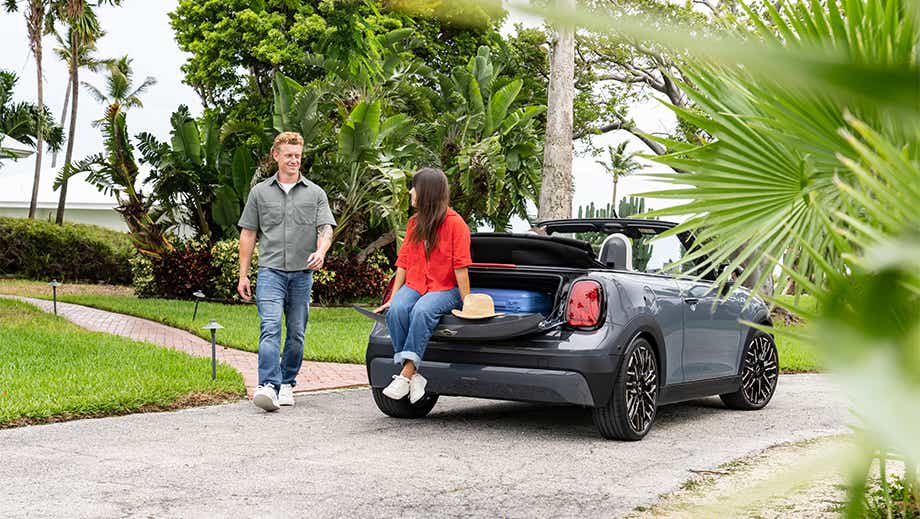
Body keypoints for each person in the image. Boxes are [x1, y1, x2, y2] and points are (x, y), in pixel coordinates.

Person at [237, 131, 336, 412]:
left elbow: (325, 229)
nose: (294, 160)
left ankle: (287, 383)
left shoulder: (316, 193)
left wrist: (321, 252)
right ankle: (268, 384)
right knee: (269, 327)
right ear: (276, 156)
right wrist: (243, 275)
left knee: (296, 333)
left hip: (302, 274)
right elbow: (248, 233)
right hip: (270, 272)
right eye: (289, 155)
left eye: (298, 156)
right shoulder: (259, 193)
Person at [374, 167, 472, 404]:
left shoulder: (455, 224)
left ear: (426, 192)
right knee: (397, 310)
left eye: (414, 187)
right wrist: (393, 297)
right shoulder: (414, 223)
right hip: (416, 285)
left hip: (446, 289)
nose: (410, 192)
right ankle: (414, 375)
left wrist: (467, 302)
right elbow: (404, 263)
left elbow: (461, 267)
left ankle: (405, 374)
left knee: (422, 310)